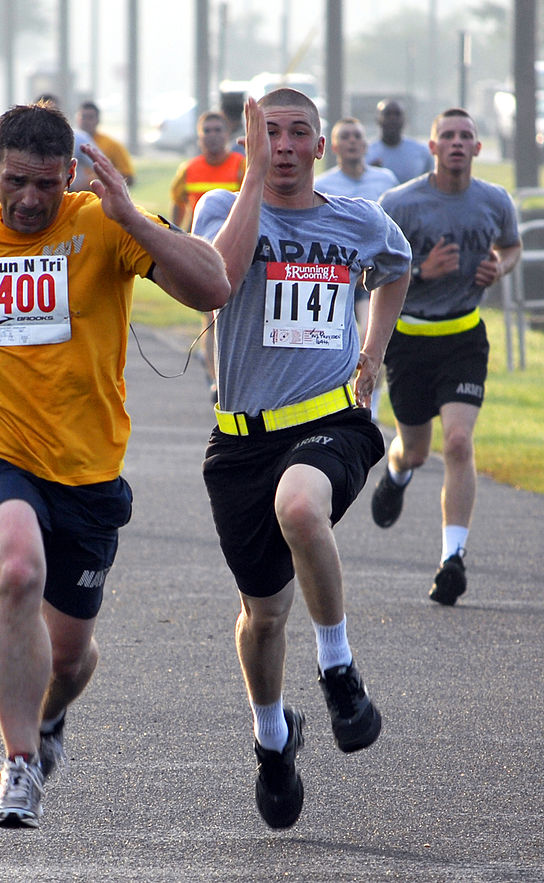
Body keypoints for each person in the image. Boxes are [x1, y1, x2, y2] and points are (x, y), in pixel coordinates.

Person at [0, 103, 230, 828]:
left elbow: (213, 289)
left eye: (46, 185)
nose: (29, 199)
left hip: (86, 472)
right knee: (16, 568)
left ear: (70, 175)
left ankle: (48, 722)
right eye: (16, 181)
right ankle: (18, 767)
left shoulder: (103, 223)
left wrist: (134, 219)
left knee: (70, 659)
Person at [192, 90, 411, 830]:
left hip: (330, 421)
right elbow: (217, 279)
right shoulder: (222, 208)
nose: (282, 145)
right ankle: (273, 740)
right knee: (261, 617)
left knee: (300, 506)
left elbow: (397, 267)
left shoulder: (357, 220)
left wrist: (373, 349)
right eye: (269, 133)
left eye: (296, 135)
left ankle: (339, 668)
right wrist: (251, 177)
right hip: (241, 440)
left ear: (320, 147)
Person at [371, 107, 521, 606]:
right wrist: (422, 271)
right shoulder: (400, 202)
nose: (457, 143)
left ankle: (452, 560)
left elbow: (513, 246)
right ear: (432, 147)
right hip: (411, 340)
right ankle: (396, 474)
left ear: (478, 148)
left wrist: (501, 267)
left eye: (466, 136)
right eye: (447, 136)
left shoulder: (494, 201)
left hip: (463, 336)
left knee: (458, 442)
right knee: (415, 449)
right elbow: (375, 270)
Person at [315, 118, 401, 419]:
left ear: (366, 144)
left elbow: (395, 229)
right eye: (345, 137)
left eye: (357, 136)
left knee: (369, 333)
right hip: (335, 273)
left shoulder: (386, 180)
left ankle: (370, 407)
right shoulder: (323, 185)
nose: (352, 142)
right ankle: (333, 401)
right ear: (333, 146)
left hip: (371, 273)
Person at [169, 110, 246, 398]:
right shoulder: (189, 170)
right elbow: (178, 206)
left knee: (237, 316)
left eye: (218, 130)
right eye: (207, 131)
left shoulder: (241, 165)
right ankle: (216, 382)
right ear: (199, 137)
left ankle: (232, 372)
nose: (212, 136)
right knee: (210, 318)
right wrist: (179, 239)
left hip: (238, 250)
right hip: (203, 254)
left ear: (227, 135)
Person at [366, 99, 433, 184]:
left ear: (405, 120)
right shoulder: (366, 153)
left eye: (397, 114)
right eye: (387, 114)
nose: (392, 118)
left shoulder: (422, 152)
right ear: (378, 119)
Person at [77, 101, 133, 185]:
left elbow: (129, 176)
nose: (86, 121)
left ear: (98, 120)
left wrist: (100, 179)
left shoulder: (113, 145)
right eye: (83, 117)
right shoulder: (69, 143)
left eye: (90, 117)